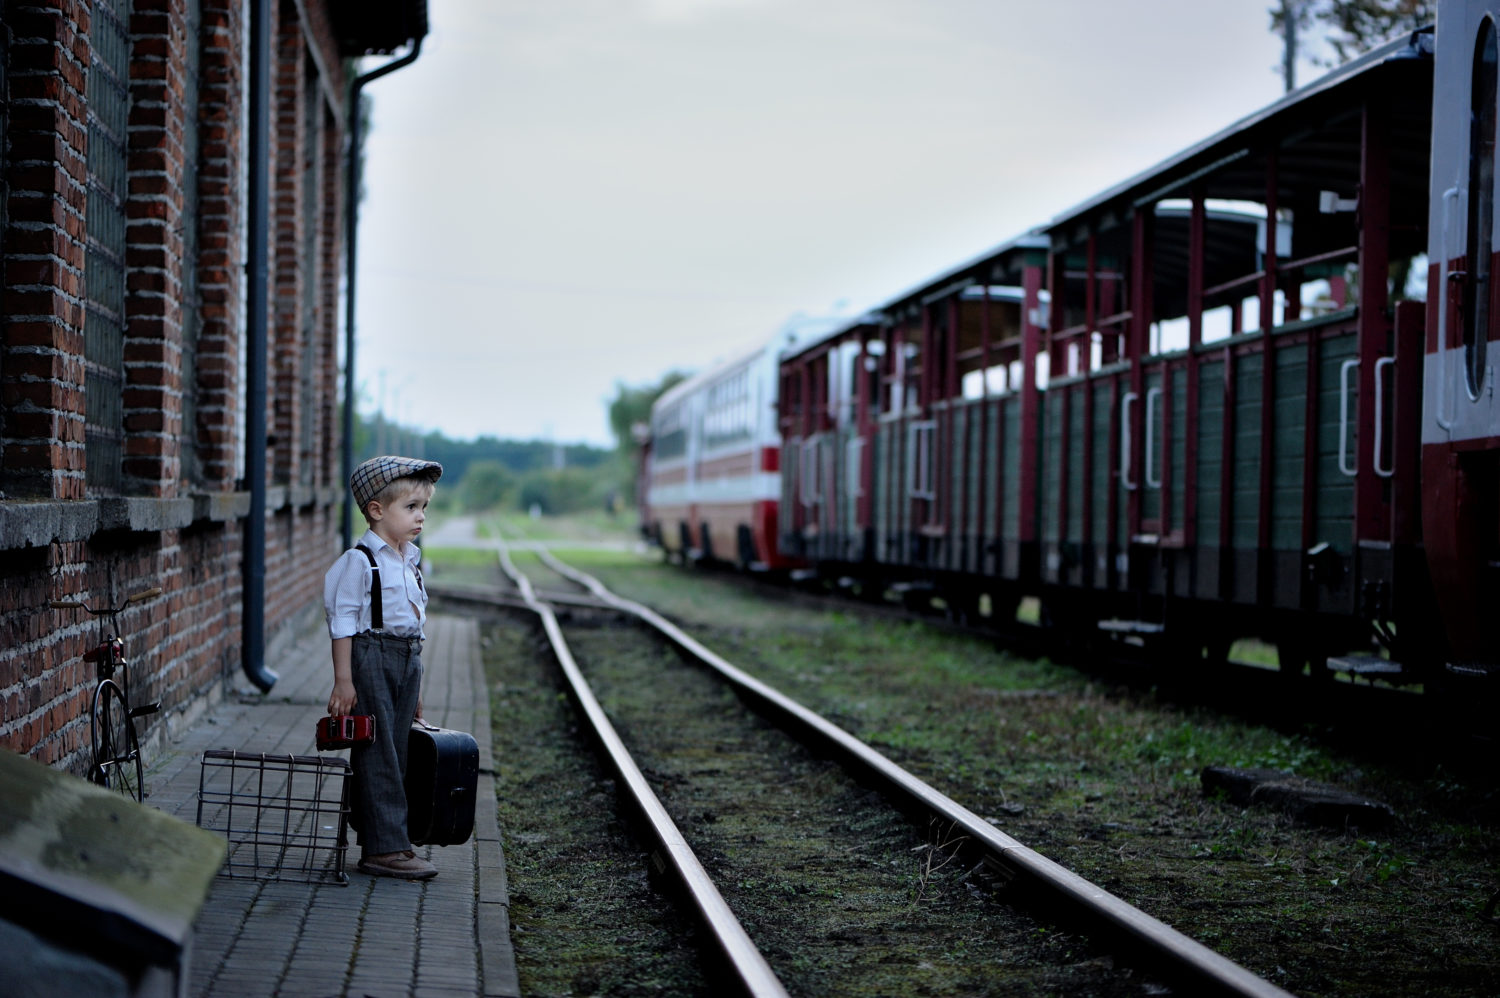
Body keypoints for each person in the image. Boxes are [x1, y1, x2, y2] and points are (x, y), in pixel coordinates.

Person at [324, 455, 444, 880]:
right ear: (377, 511)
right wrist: (344, 681)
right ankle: (386, 849)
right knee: (379, 753)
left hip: (407, 658)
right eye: (411, 507)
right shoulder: (360, 562)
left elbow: (414, 622)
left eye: (424, 508)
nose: (421, 517)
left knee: (398, 749)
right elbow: (342, 622)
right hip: (371, 656)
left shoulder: (408, 559)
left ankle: (377, 834)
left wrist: (417, 688)